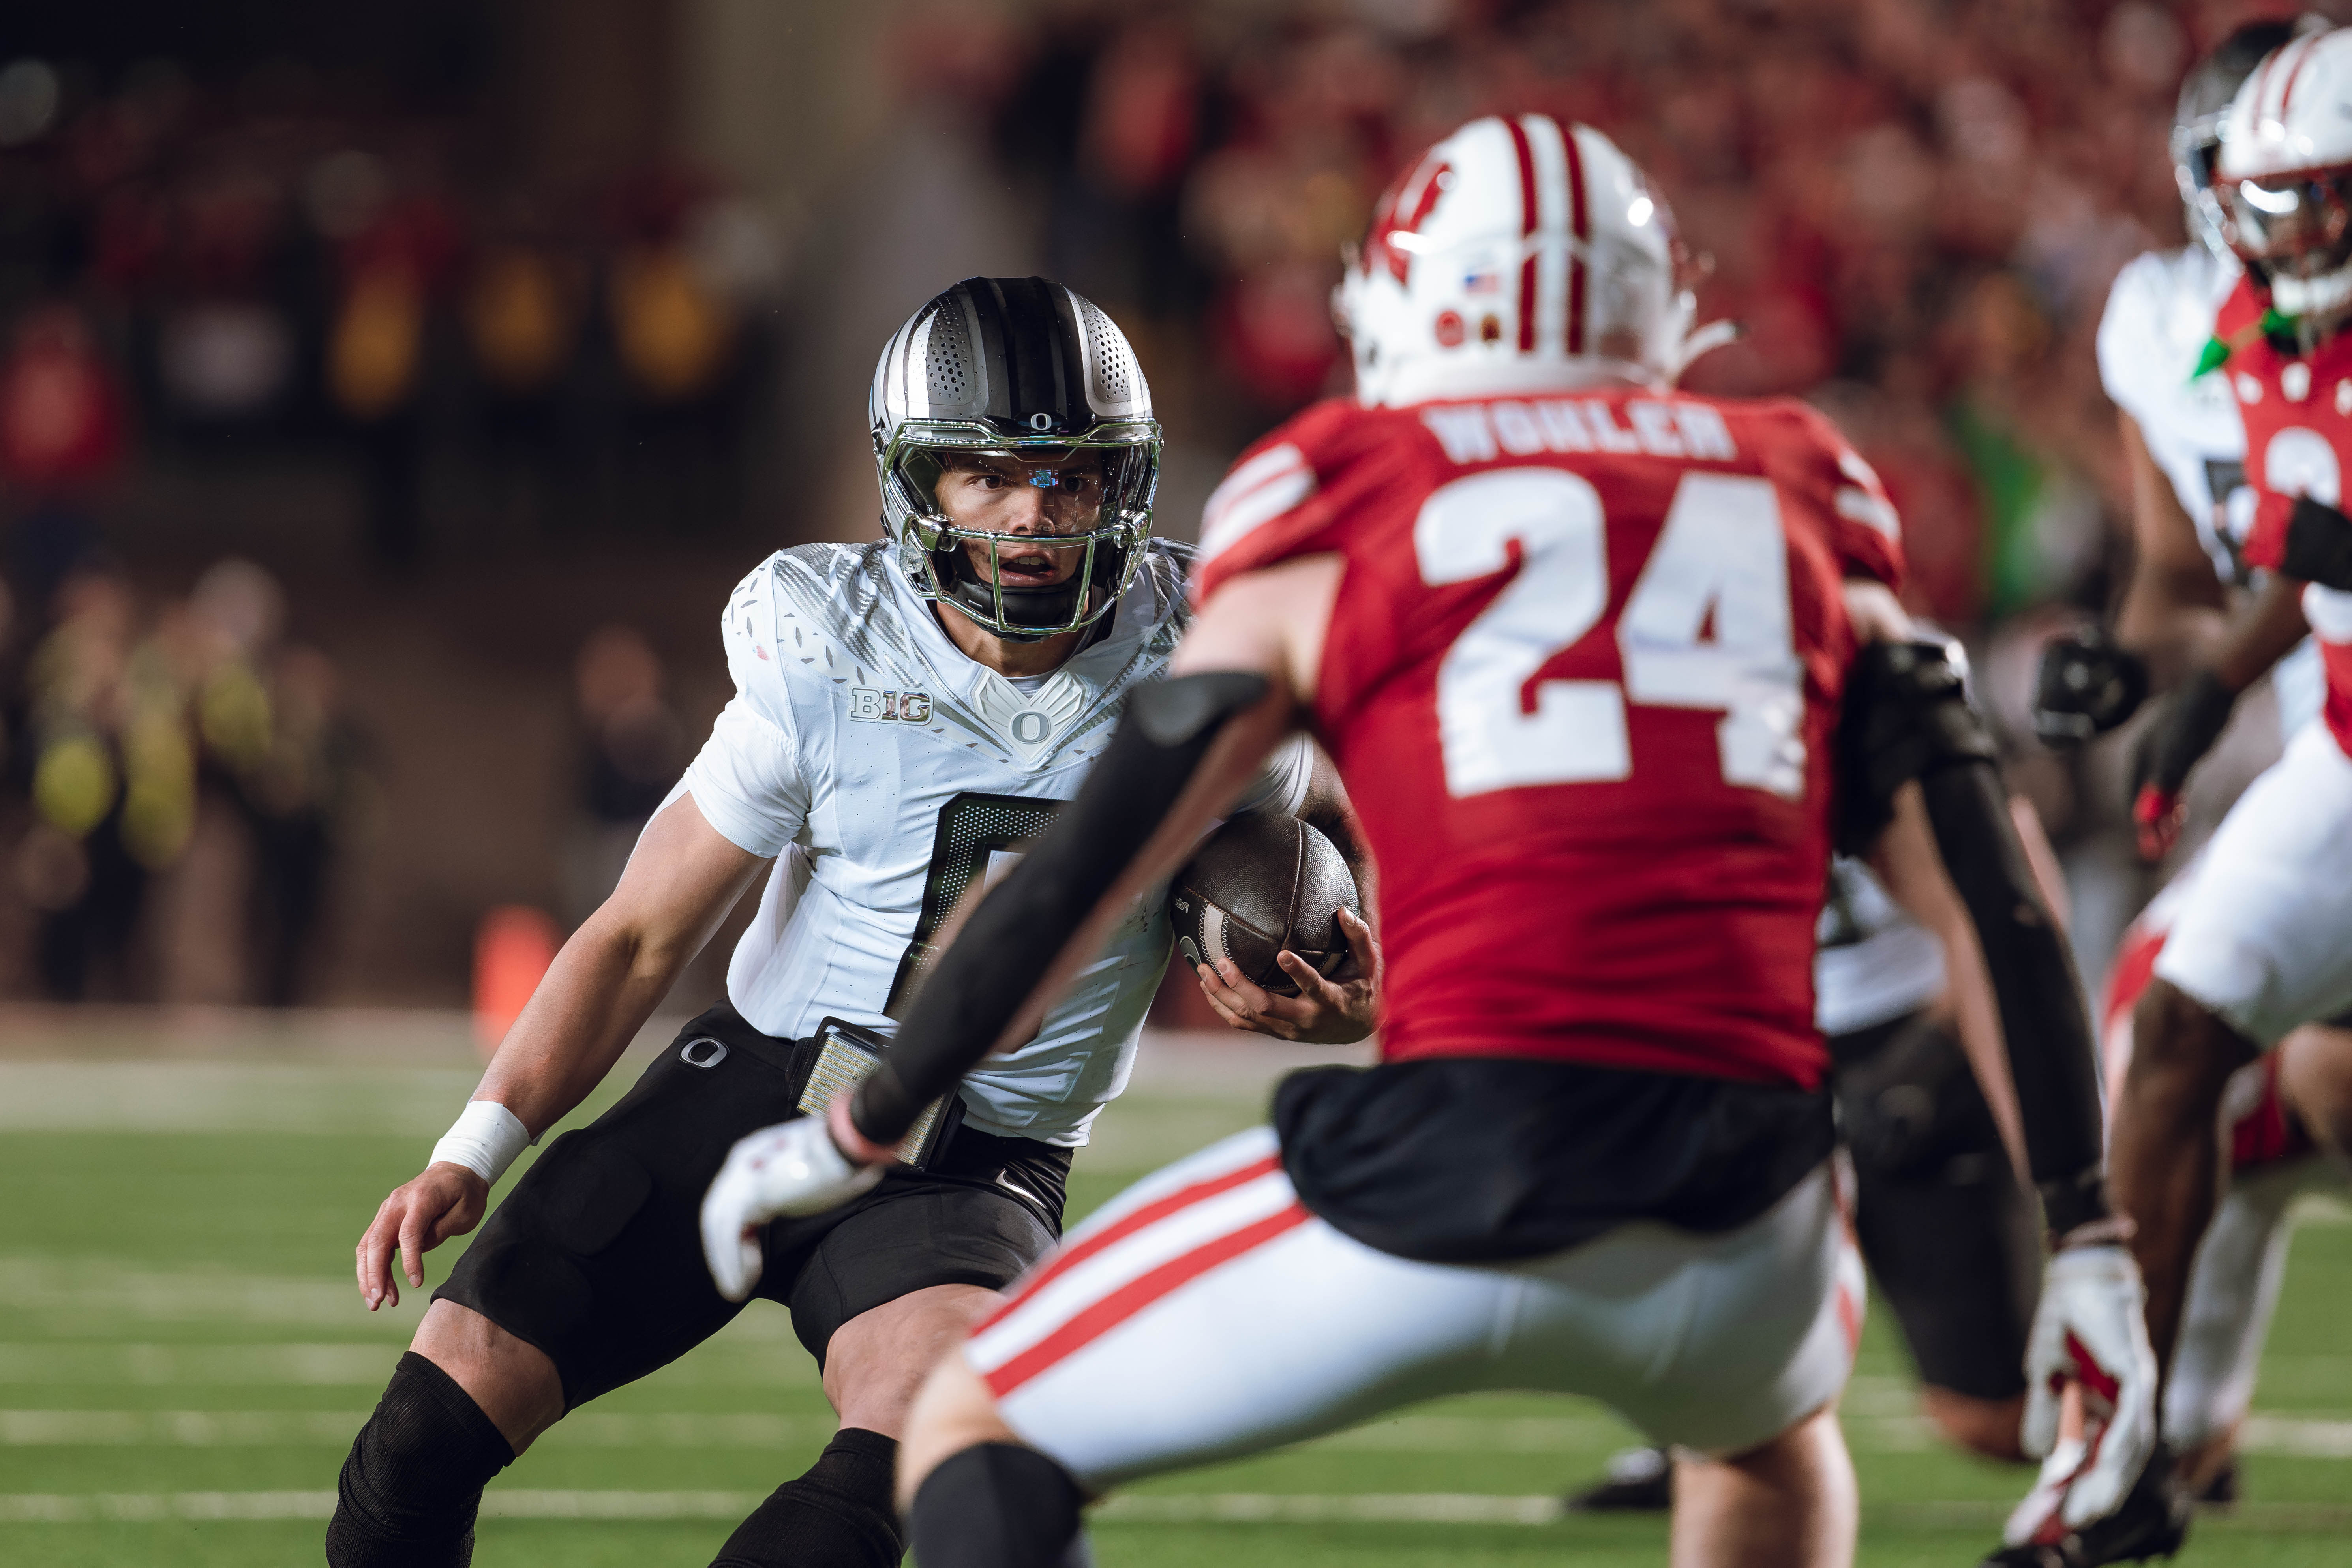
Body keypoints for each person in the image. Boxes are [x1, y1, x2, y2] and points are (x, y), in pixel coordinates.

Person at [705, 116, 2151, 1568]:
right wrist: (2086, 1234)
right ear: (1657, 307)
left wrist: (867, 1119)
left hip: (1454, 1165)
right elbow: (1993, 898)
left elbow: (1095, 858)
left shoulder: (1346, 481)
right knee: (1771, 1442)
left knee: (973, 1422)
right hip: (1751, 1204)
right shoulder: (1800, 483)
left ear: (1409, 304)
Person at [329, 276, 1369, 1568]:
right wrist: (474, 1148)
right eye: (986, 476)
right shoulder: (828, 646)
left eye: (1070, 477)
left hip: (973, 1166)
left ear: (1126, 486)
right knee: (419, 1441)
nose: (1034, 515)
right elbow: (640, 935)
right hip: (748, 1096)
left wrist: (1355, 995)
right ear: (914, 485)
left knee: (894, 1471)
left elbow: (1337, 868)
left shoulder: (1217, 667)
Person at [2010, 19, 2352, 1550]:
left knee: (2269, 1071)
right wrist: (2137, 664)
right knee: (2164, 1028)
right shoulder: (2174, 323)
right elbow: (2202, 572)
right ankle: (2138, 1445)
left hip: (2306, 713)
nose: (2287, 216)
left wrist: (2210, 671)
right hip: (2325, 731)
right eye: (2262, 184)